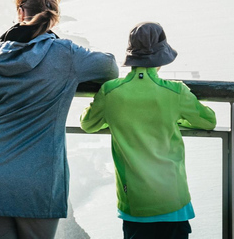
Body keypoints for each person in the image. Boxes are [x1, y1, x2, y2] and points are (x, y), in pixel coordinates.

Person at [0, 0, 119, 239]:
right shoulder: (66, 54)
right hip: (38, 180)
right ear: (54, 17)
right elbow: (110, 67)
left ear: (20, 13)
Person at [80, 21, 217, 239]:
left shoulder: (110, 92)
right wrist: (177, 120)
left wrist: (114, 119)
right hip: (173, 198)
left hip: (134, 202)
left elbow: (87, 124)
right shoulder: (176, 91)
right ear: (161, 58)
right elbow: (209, 121)